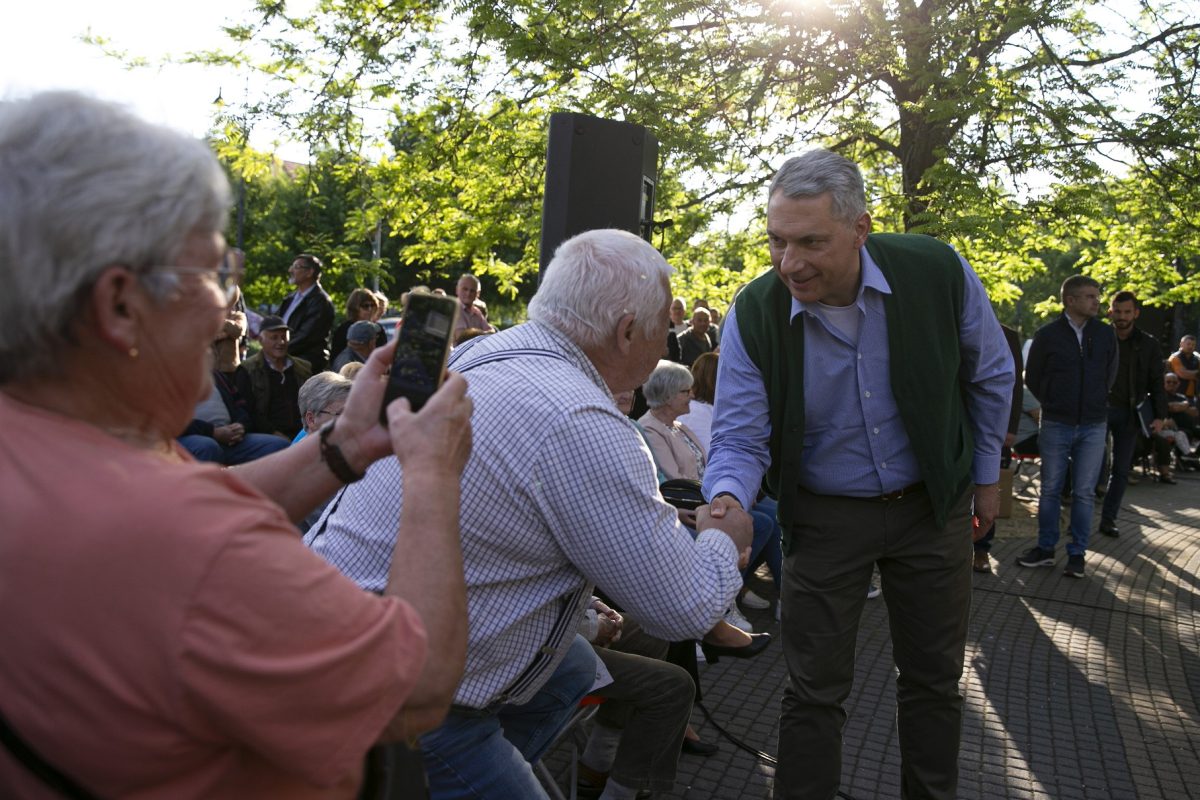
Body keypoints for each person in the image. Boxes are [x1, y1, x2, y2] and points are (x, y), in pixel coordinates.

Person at [0, 90, 473, 797]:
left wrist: (344, 443)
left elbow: (167, 516)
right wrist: (433, 472)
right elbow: (419, 689)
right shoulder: (198, 546)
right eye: (215, 274)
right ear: (121, 306)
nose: (230, 308)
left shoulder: (48, 443)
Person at [306, 228, 757, 800]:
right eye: (661, 328)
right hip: (403, 696)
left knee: (571, 666)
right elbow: (684, 609)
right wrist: (723, 538)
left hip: (325, 630)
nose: (666, 341)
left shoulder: (476, 354)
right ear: (626, 332)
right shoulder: (582, 418)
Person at [702, 149, 1013, 800]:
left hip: (931, 507)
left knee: (933, 682)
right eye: (777, 241)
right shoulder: (755, 312)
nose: (790, 263)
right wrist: (727, 500)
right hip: (824, 516)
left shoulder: (936, 270)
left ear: (860, 229)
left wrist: (986, 479)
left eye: (811, 242)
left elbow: (989, 373)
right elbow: (738, 435)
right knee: (812, 691)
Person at [1018, 275, 1118, 577]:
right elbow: (1034, 376)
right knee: (1050, 489)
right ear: (1070, 300)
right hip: (1056, 422)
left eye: (1097, 295)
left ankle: (1077, 555)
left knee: (1084, 493)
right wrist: (1054, 401)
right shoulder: (1047, 335)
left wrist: (1095, 400)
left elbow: (1110, 374)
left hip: (1093, 424)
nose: (1096, 301)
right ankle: (1046, 549)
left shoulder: (1105, 334)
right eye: (1089, 296)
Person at [1097, 292, 1168, 536]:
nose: (1122, 317)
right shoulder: (1099, 337)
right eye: (1118, 311)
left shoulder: (1149, 344)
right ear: (1110, 312)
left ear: (1136, 313)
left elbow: (1157, 381)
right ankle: (1080, 521)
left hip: (1130, 413)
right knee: (1090, 465)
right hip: (1098, 411)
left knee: (1121, 470)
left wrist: (1159, 415)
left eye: (1127, 312)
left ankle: (1108, 519)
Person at [973, 323, 1025, 574]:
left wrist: (1011, 426)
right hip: (958, 423)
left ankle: (981, 548)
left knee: (988, 485)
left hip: (994, 425)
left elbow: (1014, 385)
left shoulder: (1008, 335)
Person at [178, 366, 291, 465]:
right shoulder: (170, 376)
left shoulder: (216, 375)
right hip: (191, 438)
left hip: (230, 438)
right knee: (207, 447)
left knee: (279, 445)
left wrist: (240, 425)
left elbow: (240, 405)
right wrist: (213, 432)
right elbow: (169, 421)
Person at [236, 315, 312, 439]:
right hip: (266, 435)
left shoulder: (304, 368)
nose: (281, 342)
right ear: (261, 340)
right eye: (274, 338)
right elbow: (250, 411)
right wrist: (273, 433)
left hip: (303, 432)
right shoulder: (247, 370)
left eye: (284, 337)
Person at [277, 253, 335, 371]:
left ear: (309, 272)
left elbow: (306, 336)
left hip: (305, 364)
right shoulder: (290, 298)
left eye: (296, 267)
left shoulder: (321, 301)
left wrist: (279, 349)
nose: (290, 270)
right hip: (285, 359)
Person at [330, 287, 384, 361]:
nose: (370, 309)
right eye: (365, 306)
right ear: (355, 308)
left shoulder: (378, 329)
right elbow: (336, 357)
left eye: (372, 305)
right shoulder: (344, 330)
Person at [1169, 334, 1198, 400]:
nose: (1190, 346)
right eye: (1188, 344)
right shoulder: (1175, 358)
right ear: (1181, 344)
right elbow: (1183, 374)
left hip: (1193, 394)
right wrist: (1197, 373)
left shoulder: (1196, 358)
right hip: (1177, 393)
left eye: (1193, 345)